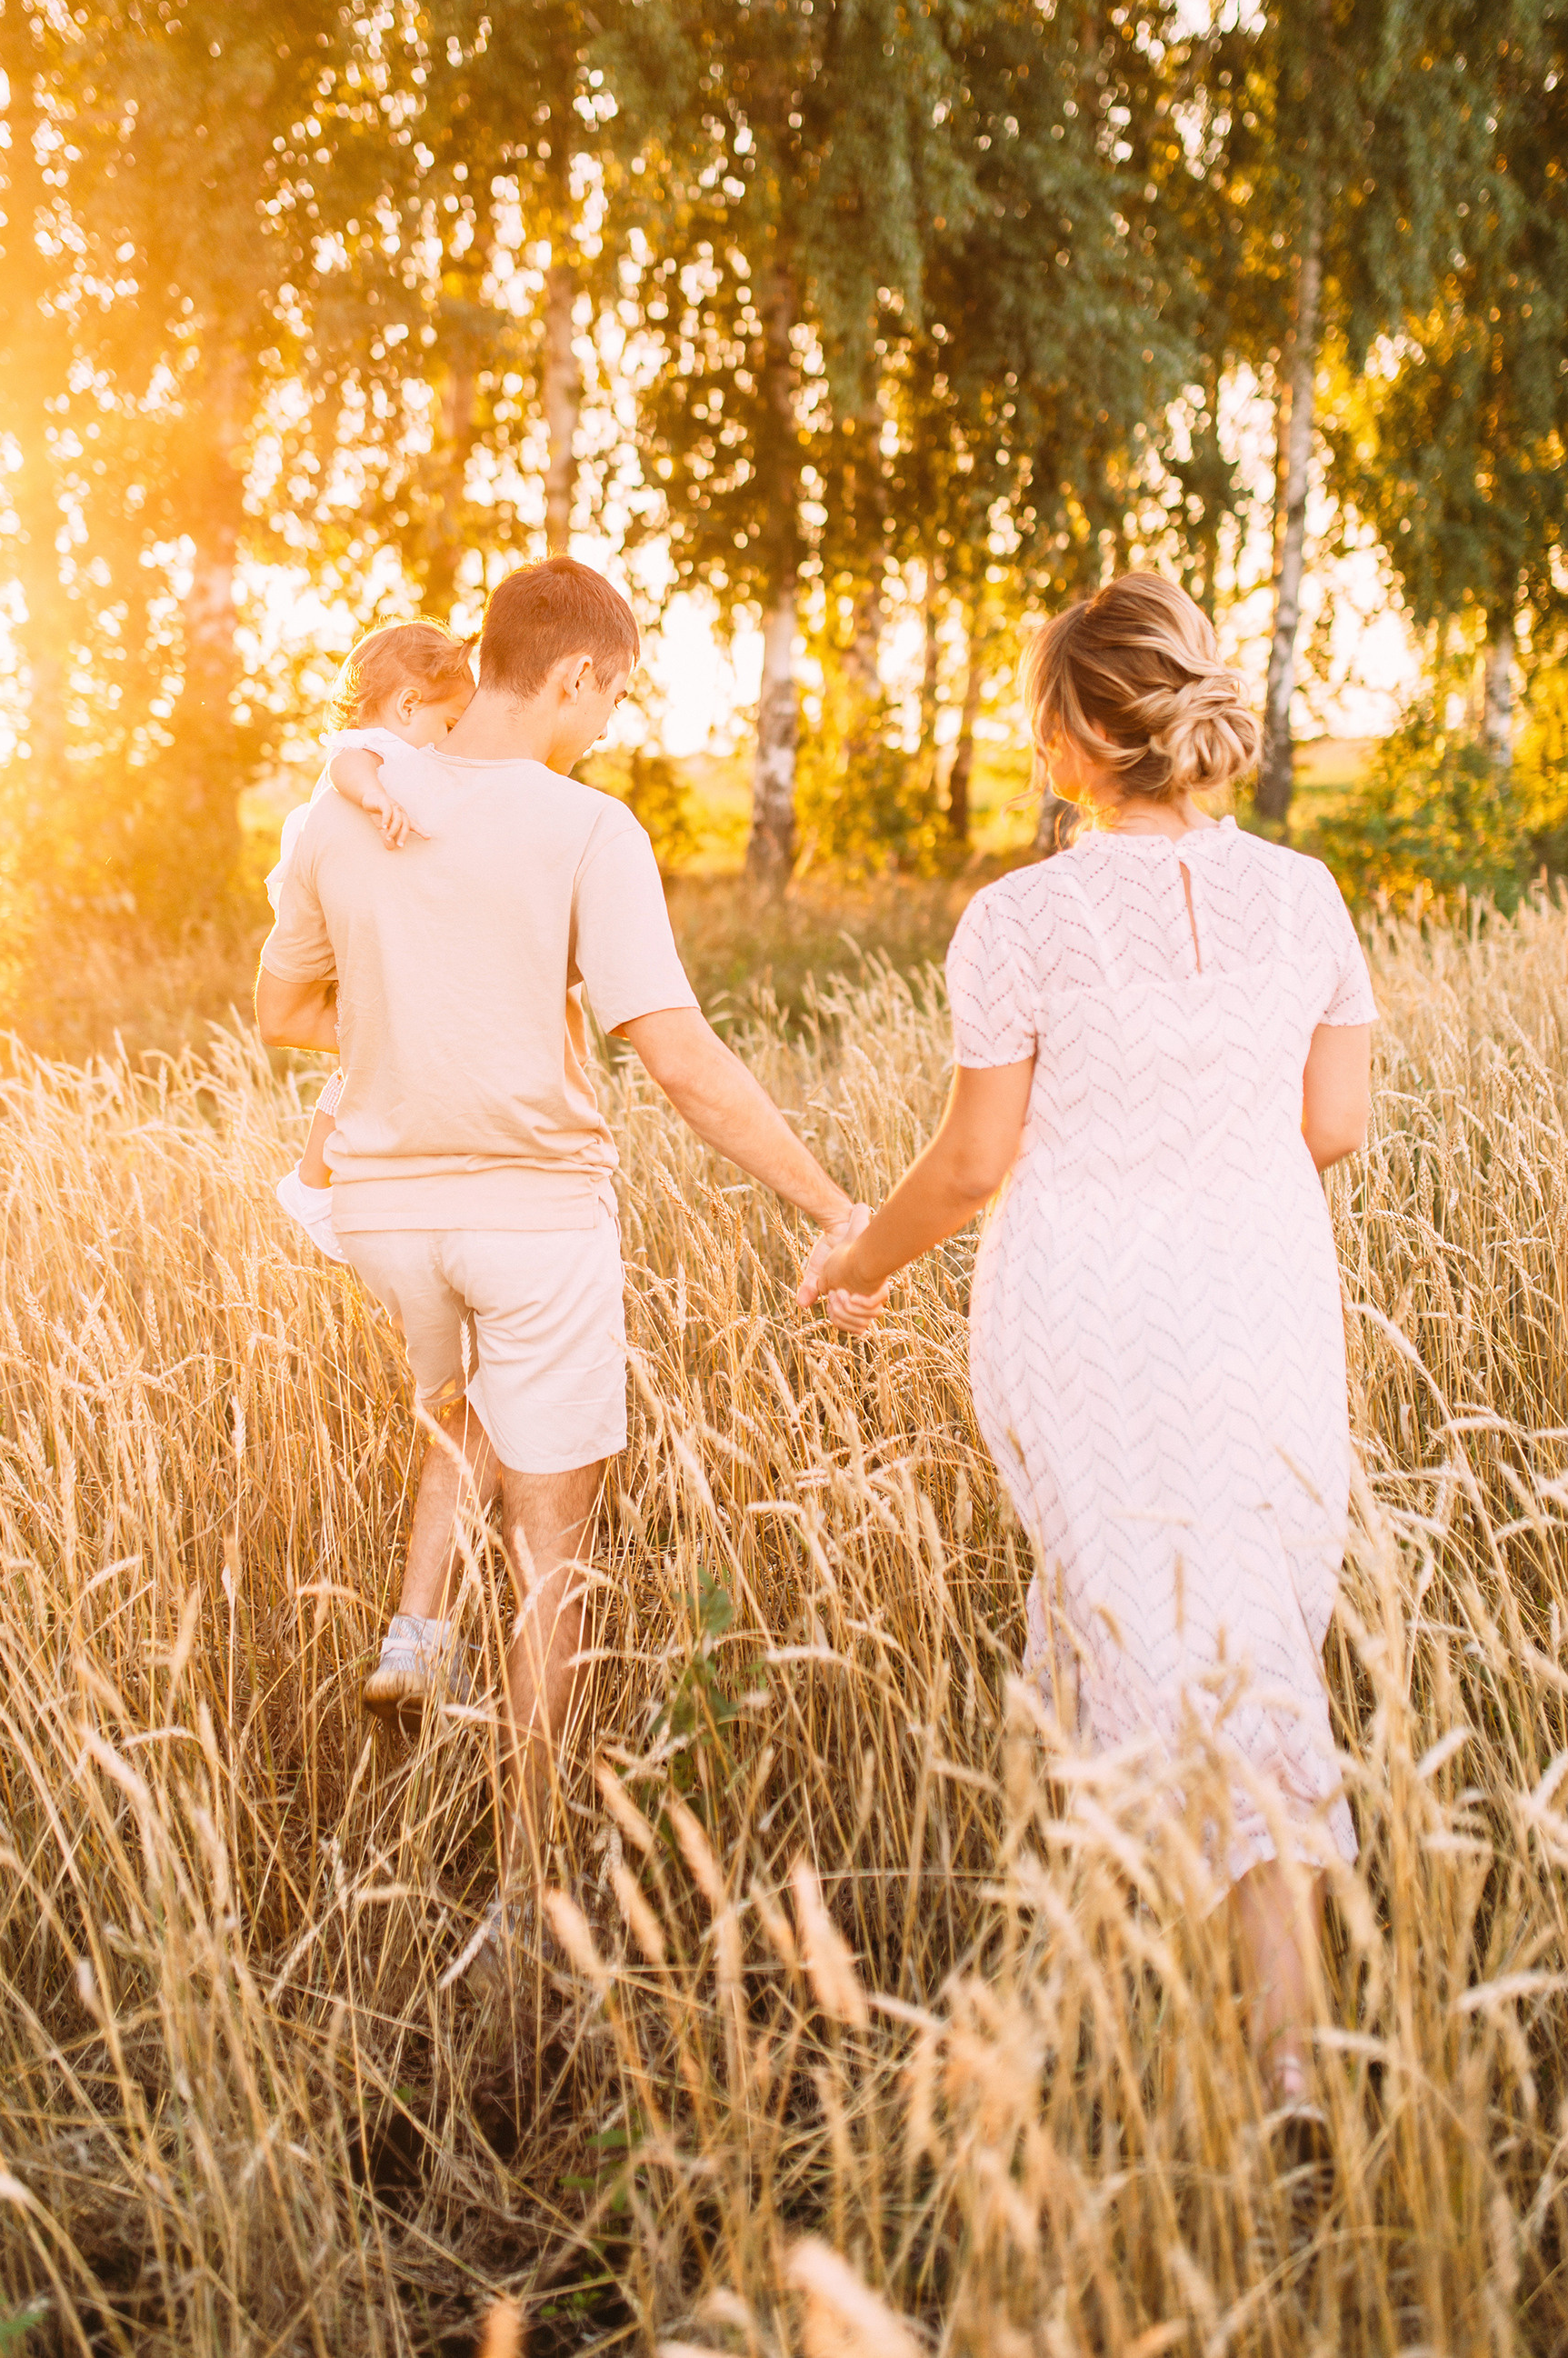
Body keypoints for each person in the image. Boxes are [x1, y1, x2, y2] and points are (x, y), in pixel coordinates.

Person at [799, 571, 1373, 2123]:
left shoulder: (1022, 919)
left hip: (1088, 1306)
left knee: (1121, 1610)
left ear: (1069, 734)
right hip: (1263, 1295)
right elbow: (1334, 1125)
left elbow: (975, 1163)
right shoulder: (1309, 896)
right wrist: (1211, 1170)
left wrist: (854, 1262)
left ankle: (1107, 2011)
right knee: (1246, 1627)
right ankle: (1285, 2047)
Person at [256, 558, 864, 1989]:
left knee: (446, 1438)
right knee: (554, 1561)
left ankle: (416, 1661)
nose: (606, 728)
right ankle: (525, 1904)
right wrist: (831, 1205)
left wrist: (408, 1008)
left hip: (390, 1225)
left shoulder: (339, 812)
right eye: (614, 697)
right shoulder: (590, 828)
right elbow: (679, 1059)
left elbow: (280, 1008)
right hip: (535, 1226)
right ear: (577, 674)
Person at [265, 621, 475, 1261]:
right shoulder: (375, 751)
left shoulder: (414, 752)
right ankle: (312, 1181)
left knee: (362, 1056)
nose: (453, 738)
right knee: (361, 1052)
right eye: (450, 722)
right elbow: (345, 762)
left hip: (359, 911)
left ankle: (322, 1181)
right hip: (335, 910)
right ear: (409, 705)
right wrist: (377, 795)